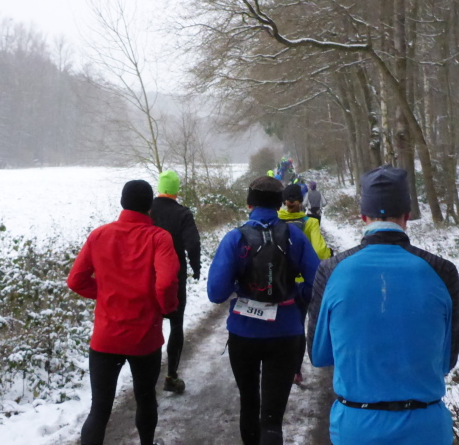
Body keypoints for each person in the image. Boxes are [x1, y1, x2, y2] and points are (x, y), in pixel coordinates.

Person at [307, 166, 459, 445]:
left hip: (356, 427)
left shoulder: (330, 270)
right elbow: (447, 359)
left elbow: (319, 355)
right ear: (407, 215)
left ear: (363, 216)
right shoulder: (442, 270)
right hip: (426, 428)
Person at [208, 176, 320, 445]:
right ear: (279, 204)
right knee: (272, 418)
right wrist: (297, 294)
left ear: (249, 204)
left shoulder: (235, 238)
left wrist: (239, 286)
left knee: (249, 403)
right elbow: (318, 282)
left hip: (243, 333)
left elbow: (216, 293)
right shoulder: (295, 236)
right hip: (285, 333)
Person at [68, 180, 179, 445]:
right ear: (150, 206)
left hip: (106, 338)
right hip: (144, 337)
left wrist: (106, 293)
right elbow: (165, 284)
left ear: (122, 202)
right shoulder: (159, 237)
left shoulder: (99, 235)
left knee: (100, 408)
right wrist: (166, 307)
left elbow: (75, 281)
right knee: (145, 398)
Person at [149, 170, 201, 394]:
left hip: (148, 275)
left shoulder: (147, 210)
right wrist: (196, 266)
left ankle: (147, 376)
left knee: (151, 323)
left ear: (159, 188)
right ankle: (171, 375)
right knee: (176, 324)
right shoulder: (183, 213)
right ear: (176, 190)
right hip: (174, 276)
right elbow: (193, 243)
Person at [277, 183, 331, 385]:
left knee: (278, 323)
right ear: (301, 201)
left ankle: (277, 363)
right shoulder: (310, 223)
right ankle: (296, 371)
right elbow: (320, 252)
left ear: (284, 202)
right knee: (298, 326)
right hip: (302, 285)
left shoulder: (276, 221)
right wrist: (329, 253)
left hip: (280, 281)